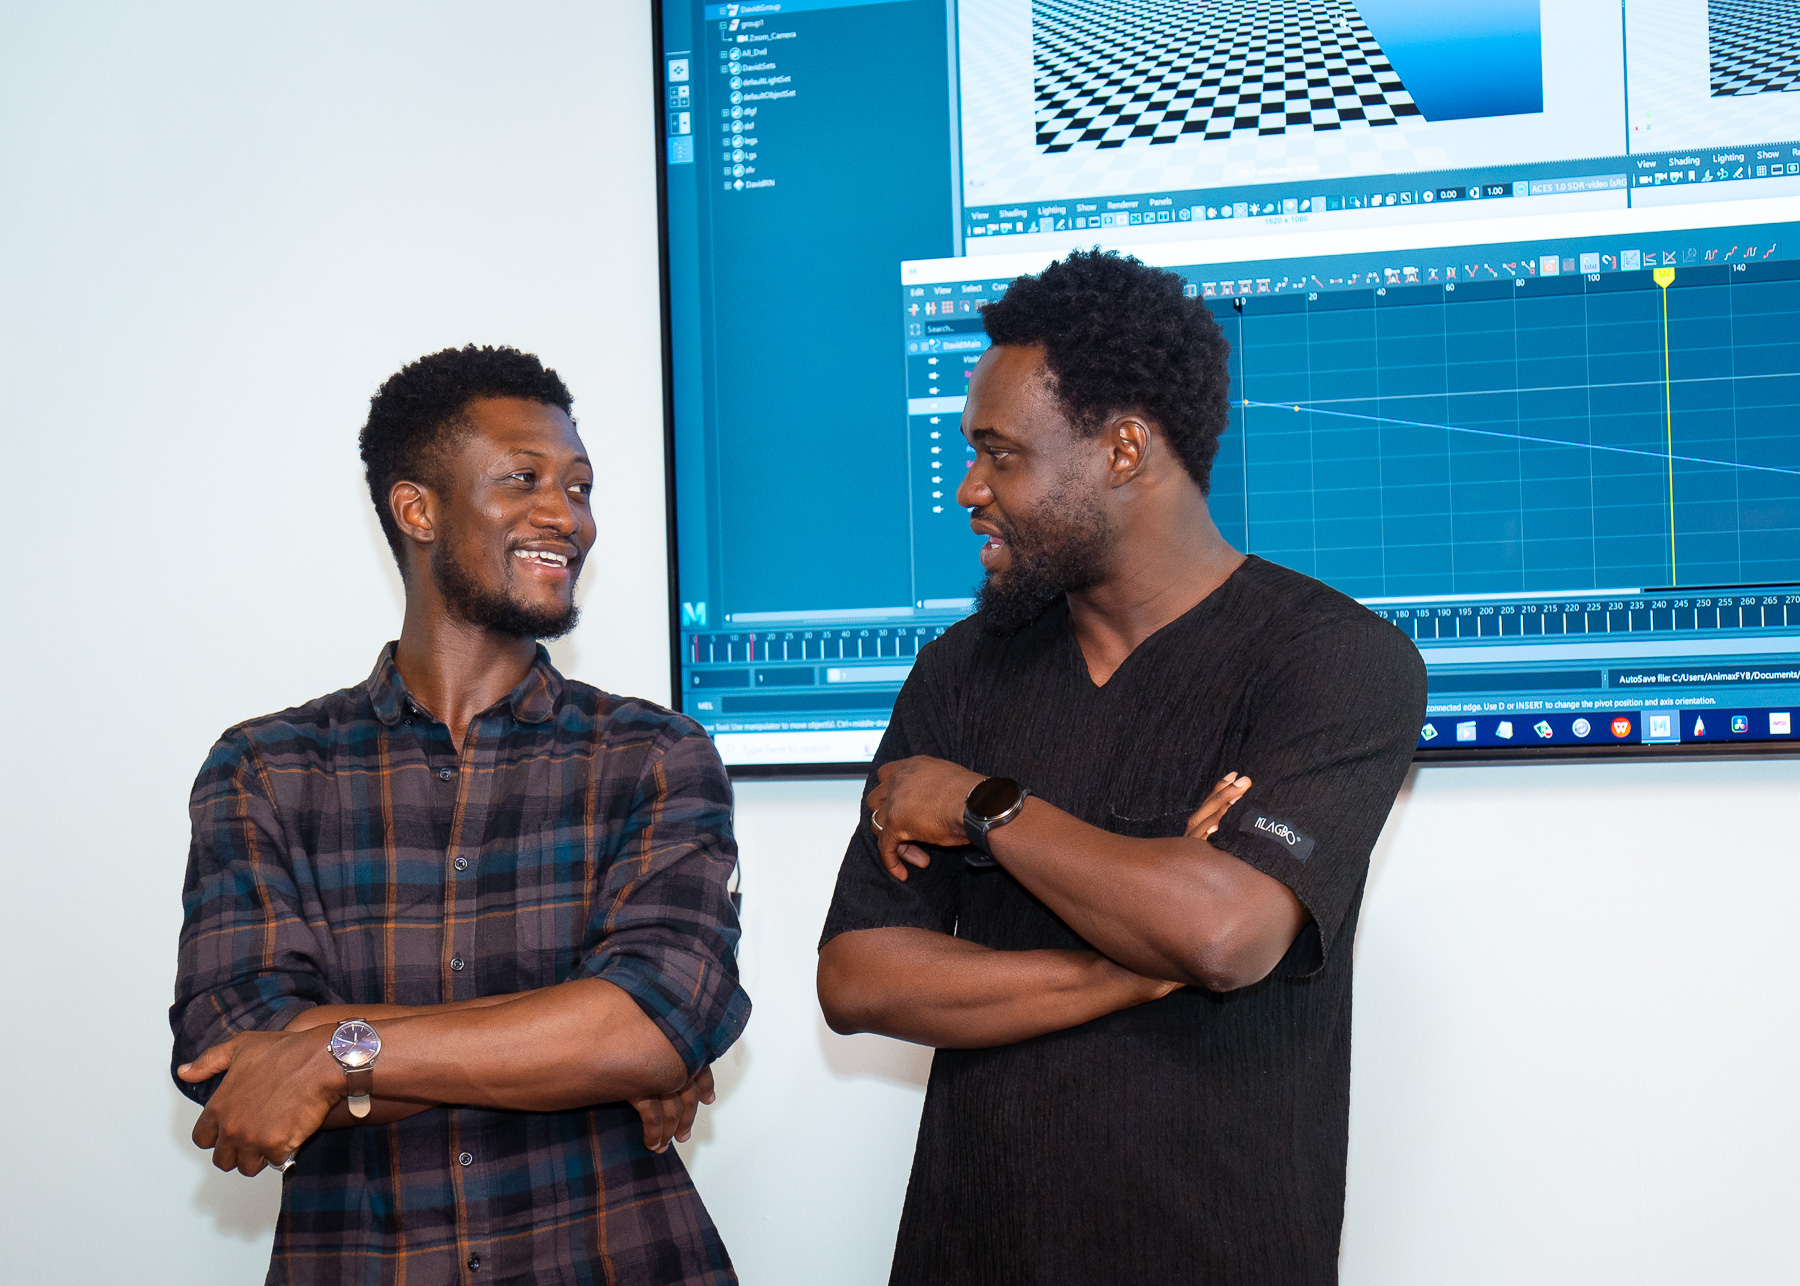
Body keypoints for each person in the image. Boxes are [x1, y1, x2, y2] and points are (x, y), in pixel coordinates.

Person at [816, 251, 1426, 1285]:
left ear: (1125, 449)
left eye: (1001, 454)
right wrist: (1128, 968)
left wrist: (981, 807)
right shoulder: (962, 672)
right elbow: (859, 976)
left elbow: (1225, 933)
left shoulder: (1335, 660)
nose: (969, 490)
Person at [171, 345, 750, 1285]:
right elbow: (237, 1059)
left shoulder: (654, 754)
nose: (567, 516)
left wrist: (335, 1054)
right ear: (418, 510)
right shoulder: (267, 769)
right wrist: (578, 1039)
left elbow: (653, 1023)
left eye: (580, 487)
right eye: (525, 479)